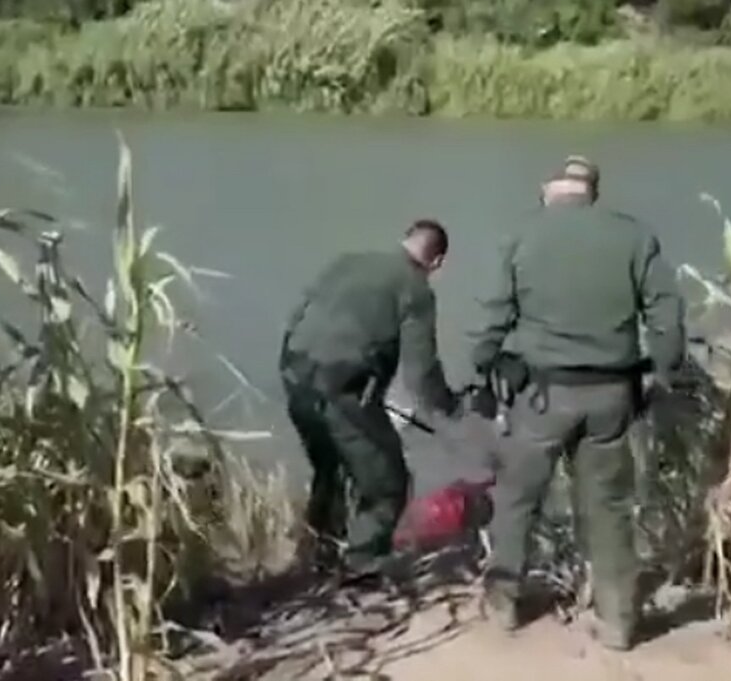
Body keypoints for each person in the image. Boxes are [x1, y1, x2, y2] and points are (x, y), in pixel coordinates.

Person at [469, 156, 686, 650]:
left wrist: (484, 363)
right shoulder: (634, 236)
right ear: (592, 192)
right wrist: (665, 371)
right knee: (608, 507)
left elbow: (492, 314)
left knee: (519, 496)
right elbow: (666, 312)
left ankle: (504, 602)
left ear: (549, 189)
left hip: (543, 395)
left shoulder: (522, 234)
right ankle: (619, 620)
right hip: (613, 392)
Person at [279, 219, 460, 583]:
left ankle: (317, 555)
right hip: (342, 387)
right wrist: (449, 408)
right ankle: (362, 567)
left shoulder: (346, 262)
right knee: (388, 482)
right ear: (436, 262)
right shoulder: (415, 288)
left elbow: (297, 316)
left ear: (404, 240)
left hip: (295, 375)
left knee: (331, 469)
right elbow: (421, 371)